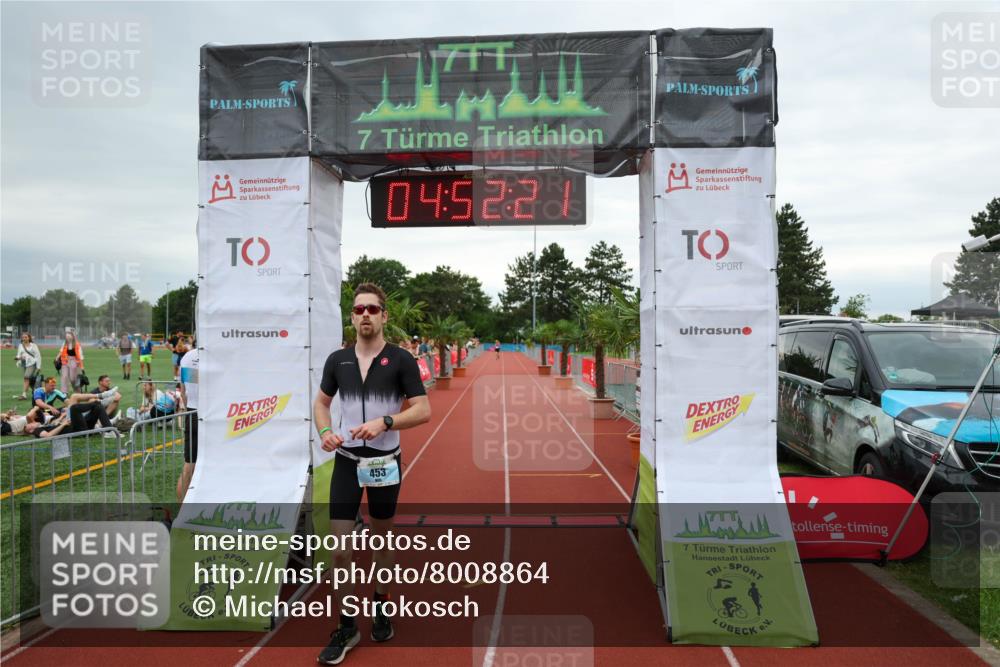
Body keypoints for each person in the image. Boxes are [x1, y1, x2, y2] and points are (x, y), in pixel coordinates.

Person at [313, 283, 431, 665]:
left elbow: (423, 410)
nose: (366, 314)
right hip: (347, 461)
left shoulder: (400, 360)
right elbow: (321, 403)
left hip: (384, 463)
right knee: (340, 549)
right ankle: (347, 626)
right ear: (352, 317)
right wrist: (325, 431)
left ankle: (381, 605)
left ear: (384, 316)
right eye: (359, 309)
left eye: (373, 309)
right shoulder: (338, 361)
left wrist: (386, 422)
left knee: (381, 541)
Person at [176, 343, 199, 502]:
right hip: (210, 413)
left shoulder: (188, 357)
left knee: (189, 464)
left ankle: (182, 508)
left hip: (192, 411)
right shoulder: (216, 355)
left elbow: (183, 392)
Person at [25, 401, 117, 439]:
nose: (32, 423)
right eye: (29, 425)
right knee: (74, 408)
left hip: (82, 428)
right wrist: (63, 424)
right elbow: (48, 436)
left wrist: (60, 420)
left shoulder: (44, 425)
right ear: (31, 430)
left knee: (98, 408)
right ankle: (97, 402)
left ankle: (109, 431)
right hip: (77, 431)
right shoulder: (37, 430)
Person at [14, 333, 42, 399]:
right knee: (29, 379)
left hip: (32, 363)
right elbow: (18, 355)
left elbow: (38, 356)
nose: (24, 338)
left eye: (26, 337)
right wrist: (17, 358)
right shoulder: (20, 345)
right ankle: (35, 391)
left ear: (29, 338)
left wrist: (38, 367)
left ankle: (24, 395)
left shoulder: (33, 346)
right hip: (24, 363)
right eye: (23, 337)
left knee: (26, 377)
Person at [58, 330, 84, 394]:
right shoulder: (64, 343)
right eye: (67, 336)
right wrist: (57, 358)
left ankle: (77, 391)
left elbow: (80, 356)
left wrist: (82, 366)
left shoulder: (77, 344)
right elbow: (61, 351)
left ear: (72, 336)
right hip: (65, 361)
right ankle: (64, 392)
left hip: (74, 361)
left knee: (73, 378)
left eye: (69, 336)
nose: (67, 338)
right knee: (64, 377)